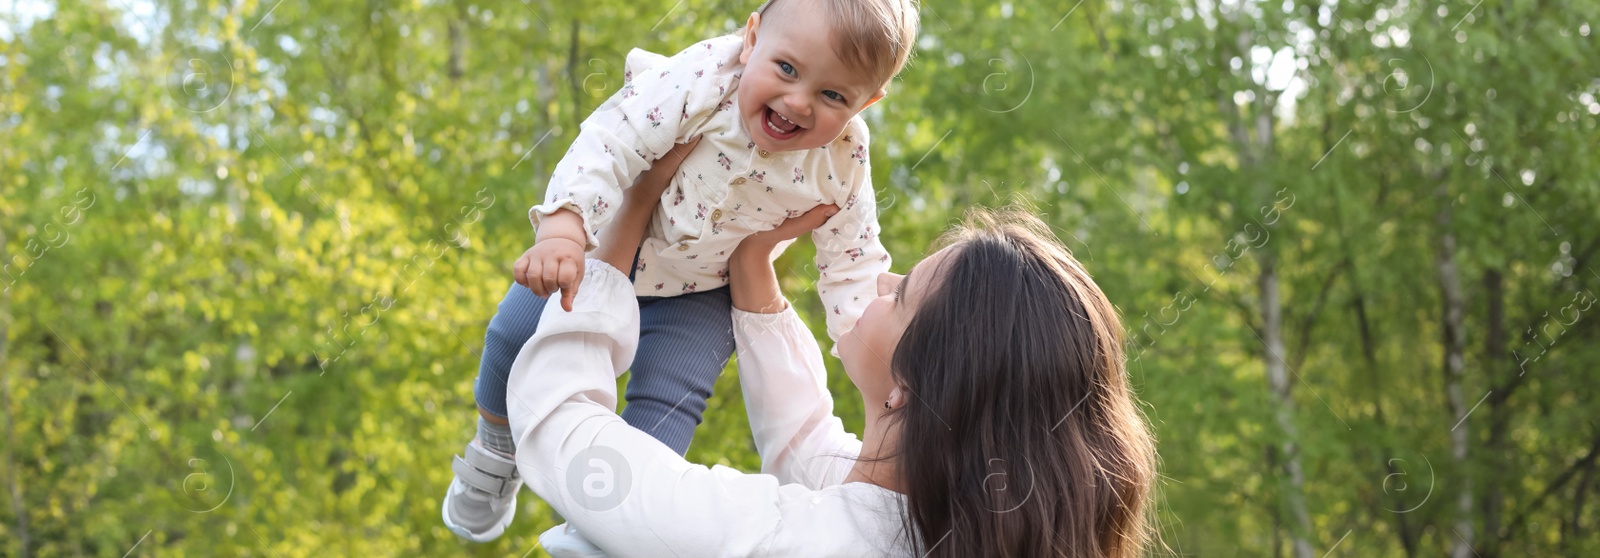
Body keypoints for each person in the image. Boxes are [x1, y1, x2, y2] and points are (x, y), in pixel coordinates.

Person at [504, 149, 1159, 556]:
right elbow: (810, 450)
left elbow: (568, 436)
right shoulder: (937, 524)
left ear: (913, 388)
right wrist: (753, 263)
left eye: (901, 297)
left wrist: (616, 241)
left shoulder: (795, 540)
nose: (881, 280)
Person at [443, 0, 921, 542]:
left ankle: (606, 535)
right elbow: (610, 139)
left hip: (703, 289)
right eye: (786, 69)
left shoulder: (844, 159)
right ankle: (495, 452)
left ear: (868, 101)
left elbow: (852, 258)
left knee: (670, 401)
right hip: (606, 243)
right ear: (752, 37)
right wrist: (564, 227)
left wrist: (878, 356)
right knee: (512, 334)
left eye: (833, 95)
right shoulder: (702, 80)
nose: (797, 102)